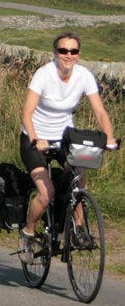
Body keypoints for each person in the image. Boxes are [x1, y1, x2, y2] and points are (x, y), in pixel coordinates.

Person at [18, 32, 115, 262]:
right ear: (55, 53)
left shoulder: (84, 76)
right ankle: (28, 231)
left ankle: (77, 229)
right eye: (63, 51)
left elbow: (99, 112)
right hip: (35, 138)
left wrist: (109, 137)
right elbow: (27, 112)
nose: (68, 55)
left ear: (78, 54)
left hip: (64, 138)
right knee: (46, 193)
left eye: (73, 51)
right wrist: (34, 139)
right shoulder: (44, 75)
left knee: (79, 177)